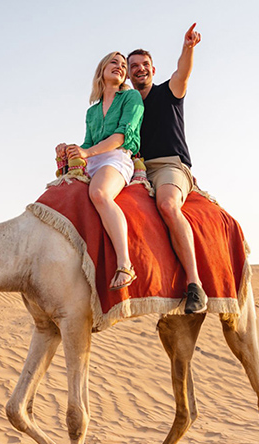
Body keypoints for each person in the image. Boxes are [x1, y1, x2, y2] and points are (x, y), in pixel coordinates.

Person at [128, 23, 207, 313]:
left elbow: (183, 72)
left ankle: (195, 284)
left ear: (153, 69)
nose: (140, 69)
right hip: (135, 170)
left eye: (144, 65)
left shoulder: (169, 91)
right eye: (134, 66)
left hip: (169, 166)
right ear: (128, 74)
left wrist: (188, 48)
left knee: (167, 205)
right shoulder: (127, 108)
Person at [56, 51, 145, 291]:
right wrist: (70, 150)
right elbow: (87, 143)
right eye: (114, 62)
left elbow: (122, 136)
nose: (120, 66)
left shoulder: (131, 97)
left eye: (123, 65)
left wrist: (86, 152)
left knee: (99, 193)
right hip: (94, 158)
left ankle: (125, 265)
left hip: (117, 156)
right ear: (102, 70)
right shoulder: (92, 112)